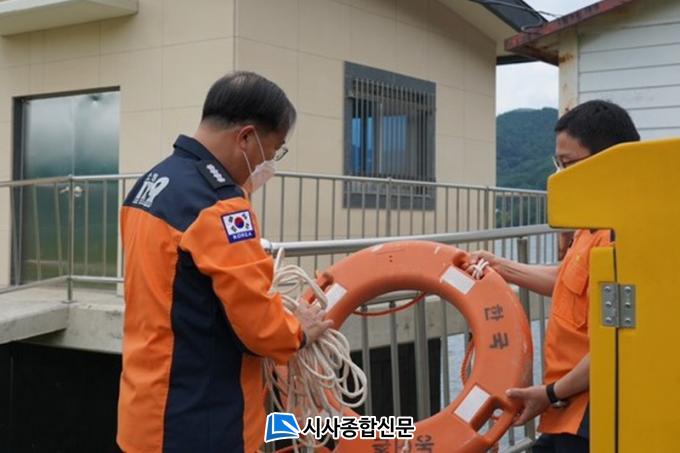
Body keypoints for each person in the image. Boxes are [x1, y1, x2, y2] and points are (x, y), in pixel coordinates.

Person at [117, 71, 332, 453]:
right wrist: (298, 330)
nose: (268, 164)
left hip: (143, 415)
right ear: (246, 137)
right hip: (201, 422)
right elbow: (260, 327)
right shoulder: (220, 206)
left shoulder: (150, 184)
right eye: (273, 151)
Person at [466, 100, 640, 452]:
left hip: (597, 416)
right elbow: (567, 278)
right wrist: (502, 267)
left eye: (567, 164)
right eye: (557, 164)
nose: (560, 175)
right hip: (567, 409)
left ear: (608, 161)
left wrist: (549, 394)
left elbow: (617, 345)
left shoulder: (628, 235)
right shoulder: (592, 225)